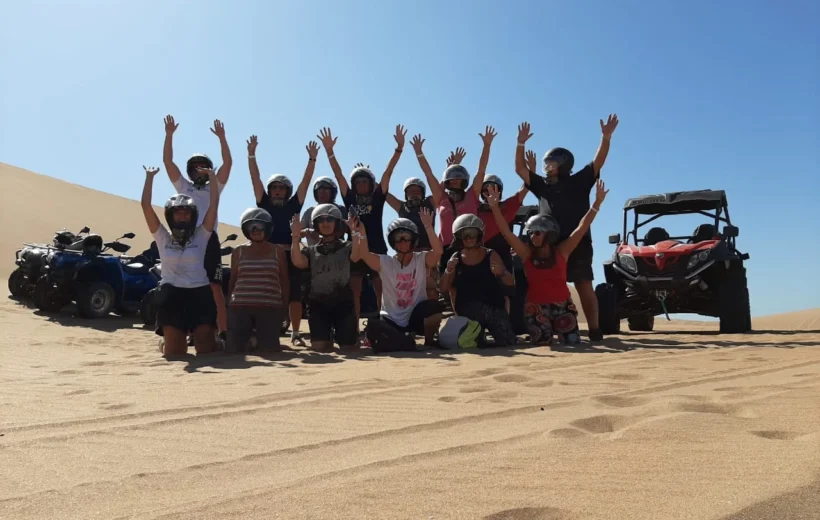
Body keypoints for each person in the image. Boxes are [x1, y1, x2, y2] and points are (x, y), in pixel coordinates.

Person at [514, 116, 619, 342]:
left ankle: (594, 329)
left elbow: (597, 161)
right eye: (545, 164)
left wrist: (606, 137)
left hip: (577, 242)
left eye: (551, 164)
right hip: (547, 246)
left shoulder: (579, 181)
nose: (546, 168)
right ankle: (542, 325)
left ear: (564, 165)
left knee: (583, 284)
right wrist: (520, 143)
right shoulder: (542, 186)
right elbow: (520, 169)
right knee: (540, 284)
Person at [486, 182, 609, 346]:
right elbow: (506, 233)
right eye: (530, 233)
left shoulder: (562, 251)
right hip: (536, 309)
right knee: (542, 342)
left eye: (537, 233)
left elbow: (582, 227)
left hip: (563, 308)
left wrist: (596, 204)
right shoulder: (526, 254)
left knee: (572, 342)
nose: (532, 237)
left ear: (549, 234)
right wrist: (494, 207)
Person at [317, 125, 407, 324]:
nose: (361, 185)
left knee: (381, 289)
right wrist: (330, 152)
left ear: (371, 183)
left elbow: (388, 173)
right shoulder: (349, 198)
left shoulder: (377, 198)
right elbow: (339, 175)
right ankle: (354, 329)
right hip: (355, 248)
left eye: (364, 181)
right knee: (354, 290)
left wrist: (398, 150)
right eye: (357, 182)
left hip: (377, 247)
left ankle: (386, 324)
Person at [162, 115, 233, 341]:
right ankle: (188, 331)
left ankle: (222, 331)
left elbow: (228, 164)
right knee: (183, 285)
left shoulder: (215, 186)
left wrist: (222, 138)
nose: (200, 170)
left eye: (204, 166)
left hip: (209, 240)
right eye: (196, 167)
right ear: (190, 170)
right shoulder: (184, 187)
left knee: (214, 287)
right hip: (185, 239)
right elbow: (168, 163)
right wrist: (169, 135)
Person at [140, 165, 219, 357]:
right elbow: (145, 205)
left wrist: (212, 177)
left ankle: (216, 339)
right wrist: (149, 177)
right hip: (172, 295)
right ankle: (166, 342)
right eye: (178, 212)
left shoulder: (202, 235)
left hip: (200, 293)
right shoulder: (162, 236)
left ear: (193, 215)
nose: (182, 216)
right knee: (176, 353)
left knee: (205, 350)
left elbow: (213, 204)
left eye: (187, 213)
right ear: (170, 215)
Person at [248, 135, 319, 347]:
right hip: (267, 254)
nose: (277, 191)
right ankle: (265, 330)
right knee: (266, 292)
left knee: (294, 294)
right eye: (274, 188)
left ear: (287, 191)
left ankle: (296, 333)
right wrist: (251, 154)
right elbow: (255, 178)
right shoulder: (263, 203)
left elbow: (305, 183)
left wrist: (312, 160)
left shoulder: (293, 205)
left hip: (291, 254)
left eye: (281, 188)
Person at [354, 209, 444, 352]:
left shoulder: (421, 259)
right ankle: (405, 341)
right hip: (391, 319)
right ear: (393, 242)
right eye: (398, 238)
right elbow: (364, 254)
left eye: (406, 237)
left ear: (413, 240)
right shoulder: (385, 262)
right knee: (373, 326)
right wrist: (361, 232)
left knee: (434, 307)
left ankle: (428, 341)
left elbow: (438, 251)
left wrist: (428, 227)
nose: (402, 242)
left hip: (415, 316)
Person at [410, 127, 495, 274]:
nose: (456, 183)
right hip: (446, 249)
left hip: (471, 245)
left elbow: (481, 170)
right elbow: (429, 175)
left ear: (464, 182)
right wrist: (419, 153)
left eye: (459, 180)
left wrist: (487, 145)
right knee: (448, 287)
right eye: (452, 181)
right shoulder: (441, 198)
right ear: (447, 182)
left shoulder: (471, 195)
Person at [290, 204, 360, 353]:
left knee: (349, 349)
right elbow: (298, 262)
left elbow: (357, 255)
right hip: (318, 305)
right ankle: (326, 337)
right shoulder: (310, 250)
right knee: (320, 348)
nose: (326, 223)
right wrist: (295, 237)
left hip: (344, 304)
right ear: (316, 224)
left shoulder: (347, 246)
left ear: (337, 223)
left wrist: (355, 232)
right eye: (321, 220)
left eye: (330, 219)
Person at [439, 214, 517, 347]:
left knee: (508, 342)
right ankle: (478, 335)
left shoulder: (491, 254)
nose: (469, 238)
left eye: (472, 233)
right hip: (468, 311)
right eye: (464, 234)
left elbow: (511, 283)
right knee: (475, 342)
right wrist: (448, 270)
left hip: (493, 308)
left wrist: (502, 273)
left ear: (479, 234)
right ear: (459, 237)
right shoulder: (455, 258)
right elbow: (444, 288)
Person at [226, 208, 289, 354]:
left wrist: (284, 308)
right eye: (250, 226)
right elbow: (233, 280)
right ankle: (250, 341)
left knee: (269, 351)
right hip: (240, 307)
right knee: (235, 350)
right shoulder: (238, 251)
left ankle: (259, 341)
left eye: (260, 225)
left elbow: (284, 280)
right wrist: (229, 304)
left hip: (269, 307)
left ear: (268, 227)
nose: (255, 230)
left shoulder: (277, 251)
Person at [476, 170, 529, 273]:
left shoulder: (507, 206)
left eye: (493, 188)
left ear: (499, 191)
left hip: (503, 258)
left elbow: (525, 188)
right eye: (486, 189)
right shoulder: (475, 208)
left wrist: (530, 170)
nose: (490, 191)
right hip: (479, 257)